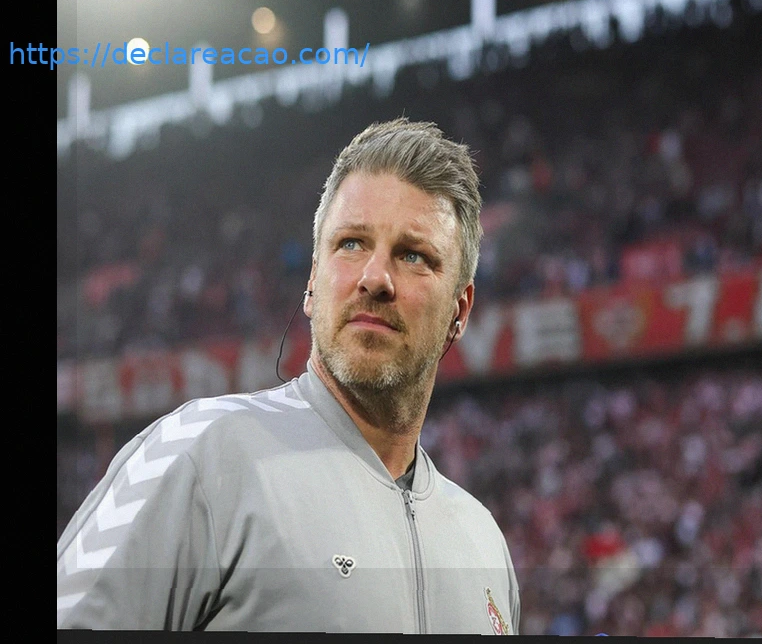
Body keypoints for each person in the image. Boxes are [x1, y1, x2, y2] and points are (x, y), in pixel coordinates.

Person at [57, 117, 520, 633]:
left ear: (460, 310)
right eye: (351, 244)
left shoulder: (485, 545)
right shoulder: (197, 455)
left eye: (413, 256)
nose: (375, 278)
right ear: (312, 283)